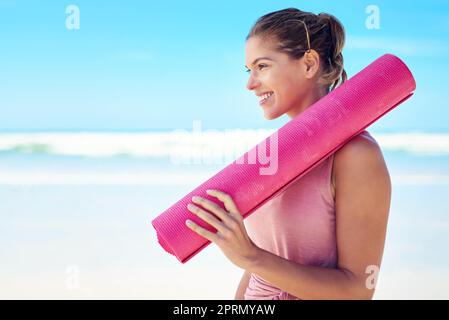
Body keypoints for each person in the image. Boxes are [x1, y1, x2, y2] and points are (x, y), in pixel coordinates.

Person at [185, 8, 391, 300]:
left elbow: (358, 291)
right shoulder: (276, 153)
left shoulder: (357, 156)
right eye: (249, 70)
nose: (250, 83)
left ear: (308, 64)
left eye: (262, 66)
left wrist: (250, 256)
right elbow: (258, 271)